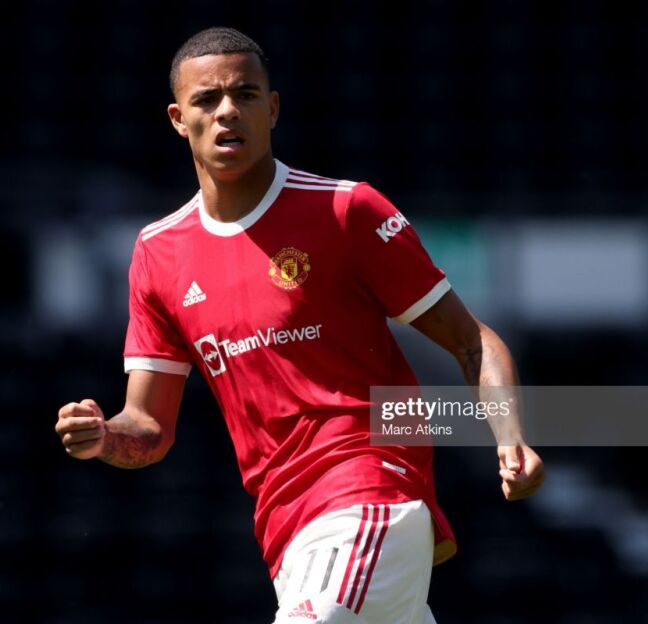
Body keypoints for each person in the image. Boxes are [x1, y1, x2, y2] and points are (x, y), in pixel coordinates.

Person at [55, 26, 545, 624]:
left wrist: (510, 437)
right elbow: (151, 427)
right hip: (285, 535)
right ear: (179, 119)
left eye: (245, 94)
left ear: (273, 108)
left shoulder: (345, 210)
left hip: (370, 491)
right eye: (207, 99)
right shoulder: (158, 253)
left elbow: (470, 342)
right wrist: (105, 436)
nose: (227, 111)